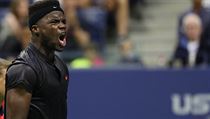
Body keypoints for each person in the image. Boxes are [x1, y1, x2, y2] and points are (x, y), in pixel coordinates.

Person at [5, 1, 69, 119]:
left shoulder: (61, 66)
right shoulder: (23, 70)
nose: (62, 26)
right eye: (54, 22)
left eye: (63, 21)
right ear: (35, 29)